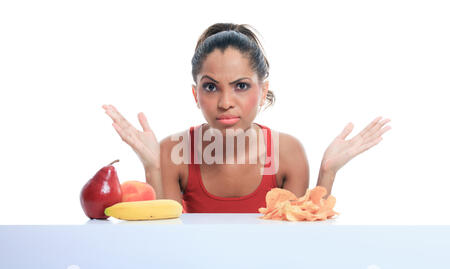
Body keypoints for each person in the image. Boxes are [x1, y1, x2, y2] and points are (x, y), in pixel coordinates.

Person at [103, 23, 391, 213]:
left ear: (263, 90)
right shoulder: (172, 153)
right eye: (211, 87)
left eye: (241, 86)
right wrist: (153, 167)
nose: (225, 103)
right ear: (195, 94)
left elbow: (298, 245)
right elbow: (165, 249)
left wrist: (328, 171)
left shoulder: (288, 154)